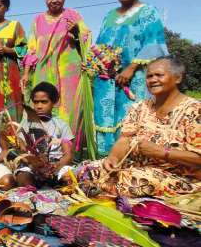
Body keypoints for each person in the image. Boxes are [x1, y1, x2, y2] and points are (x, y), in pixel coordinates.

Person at [80, 57, 200, 198]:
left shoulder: (194, 110)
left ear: (177, 78)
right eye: (149, 76)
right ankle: (97, 187)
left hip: (177, 176)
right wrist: (112, 158)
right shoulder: (140, 107)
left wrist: (162, 152)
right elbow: (125, 139)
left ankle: (98, 189)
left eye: (159, 75)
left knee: (134, 181)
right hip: (136, 167)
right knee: (88, 169)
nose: (153, 80)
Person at [94, 0, 168, 156]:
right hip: (107, 79)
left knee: (131, 116)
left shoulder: (148, 12)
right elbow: (101, 44)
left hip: (135, 77)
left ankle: (132, 158)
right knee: (106, 115)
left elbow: (154, 42)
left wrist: (131, 68)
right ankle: (107, 159)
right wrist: (97, 64)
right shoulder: (109, 15)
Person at [21, 0, 91, 147]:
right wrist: (25, 73)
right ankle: (41, 147)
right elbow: (31, 49)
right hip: (44, 71)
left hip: (69, 71)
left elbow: (86, 43)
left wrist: (76, 33)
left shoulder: (74, 16)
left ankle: (70, 149)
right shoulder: (37, 20)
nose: (54, 0)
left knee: (70, 108)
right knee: (43, 104)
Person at [15, 82, 74, 187]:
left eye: (44, 102)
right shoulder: (26, 123)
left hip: (55, 165)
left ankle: (55, 182)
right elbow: (22, 150)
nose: (39, 106)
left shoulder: (61, 124)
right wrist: (34, 165)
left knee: (70, 178)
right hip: (33, 166)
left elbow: (68, 154)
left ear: (54, 102)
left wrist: (56, 166)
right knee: (23, 179)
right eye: (36, 102)